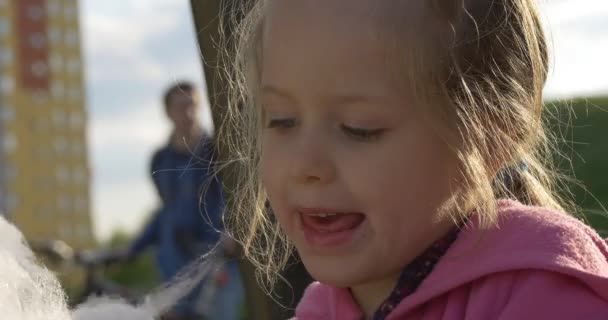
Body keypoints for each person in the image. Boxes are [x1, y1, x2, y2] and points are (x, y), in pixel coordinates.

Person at [216, 0, 608, 319]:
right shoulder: (318, 311)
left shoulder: (549, 294)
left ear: (489, 136)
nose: (305, 165)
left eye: (358, 128)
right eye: (282, 121)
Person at [125, 81, 244, 320]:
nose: (188, 113)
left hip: (215, 263)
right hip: (175, 267)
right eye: (181, 106)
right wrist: (133, 249)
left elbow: (236, 202)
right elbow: (165, 213)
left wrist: (233, 232)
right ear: (168, 112)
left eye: (193, 105)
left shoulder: (218, 151)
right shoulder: (160, 161)